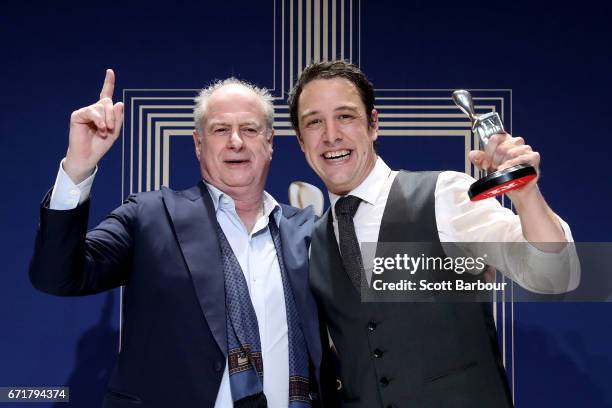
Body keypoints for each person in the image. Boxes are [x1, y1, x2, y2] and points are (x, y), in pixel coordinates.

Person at [288, 61, 580, 407]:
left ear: (373, 124)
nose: (331, 134)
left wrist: (527, 196)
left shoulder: (445, 195)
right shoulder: (313, 243)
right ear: (301, 141)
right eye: (314, 122)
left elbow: (555, 276)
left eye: (346, 116)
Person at [30, 69, 327, 407]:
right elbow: (56, 276)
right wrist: (78, 168)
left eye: (249, 129)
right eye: (220, 130)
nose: (236, 141)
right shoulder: (150, 217)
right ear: (198, 143)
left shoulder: (309, 232)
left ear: (270, 142)